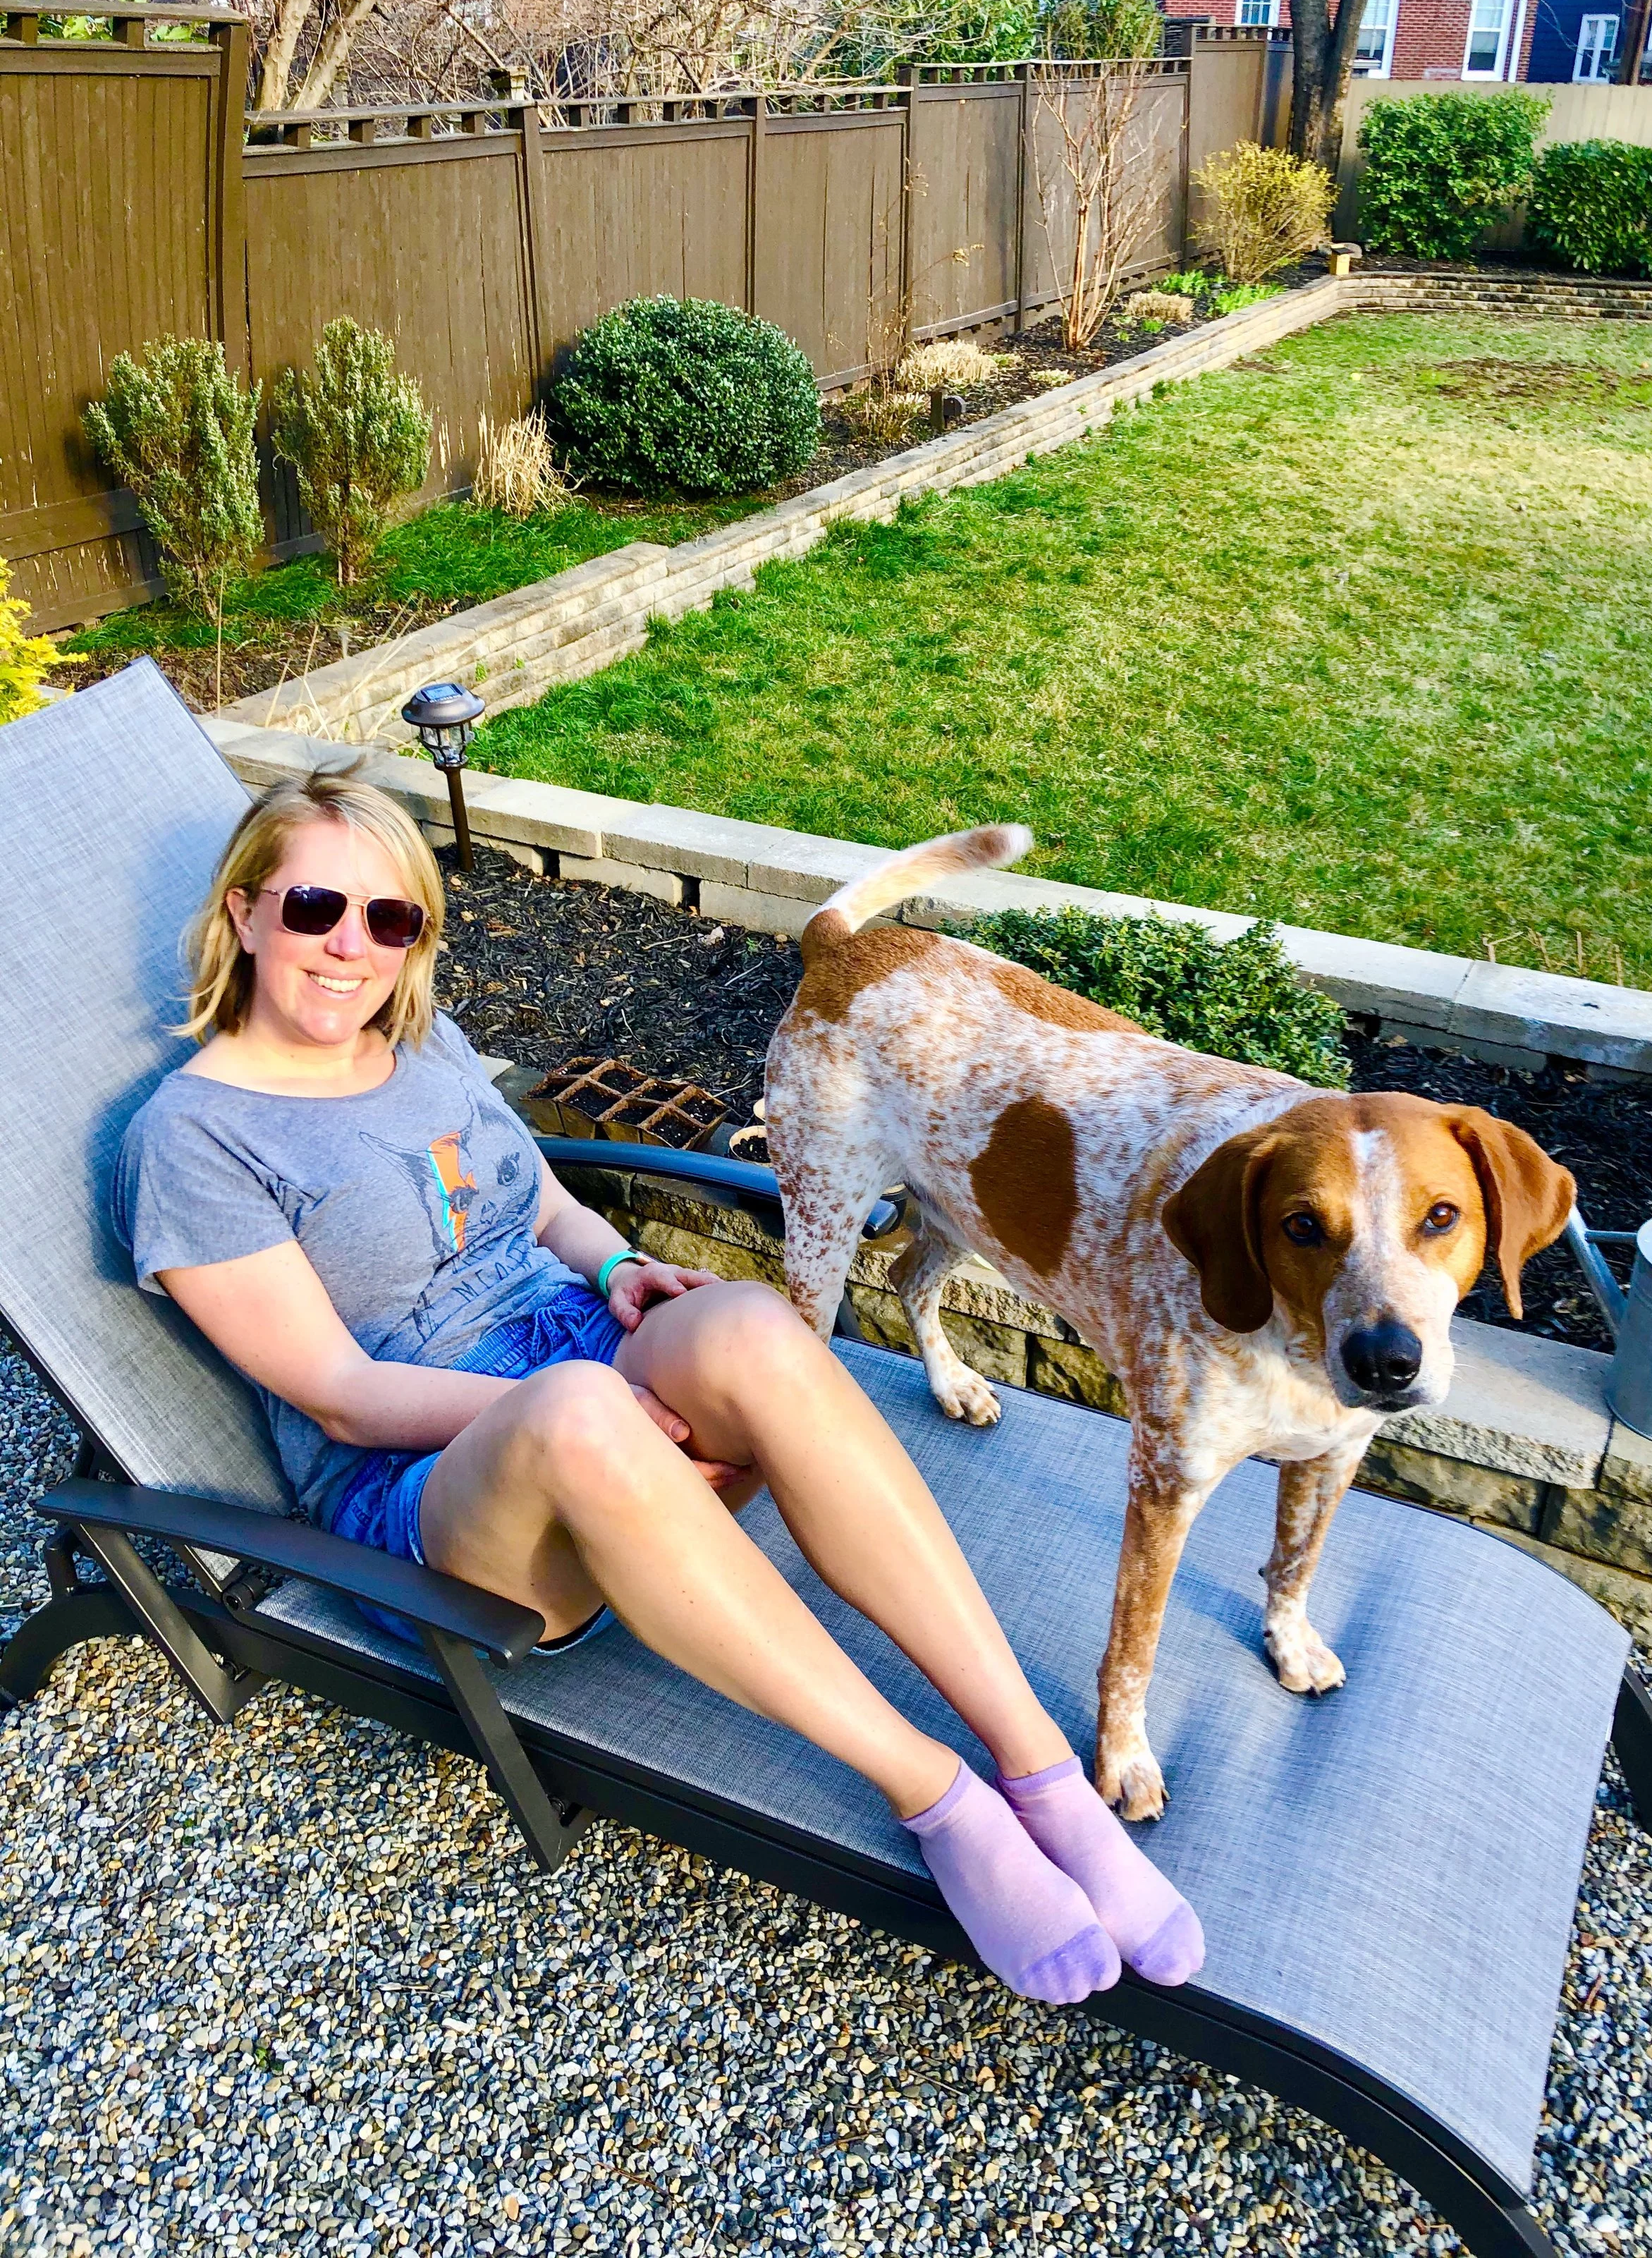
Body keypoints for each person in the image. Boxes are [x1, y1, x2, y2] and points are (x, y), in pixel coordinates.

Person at [114, 767, 1203, 2006]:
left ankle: (1042, 1775)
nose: (351, 947)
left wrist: (620, 1269)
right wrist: (590, 1407)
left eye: (391, 917)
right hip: (430, 1491)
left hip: (581, 1366)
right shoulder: (193, 1139)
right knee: (579, 1413)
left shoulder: (417, 1041)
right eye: (316, 908)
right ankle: (940, 1801)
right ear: (246, 910)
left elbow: (544, 1205)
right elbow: (338, 1394)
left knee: (751, 1323)